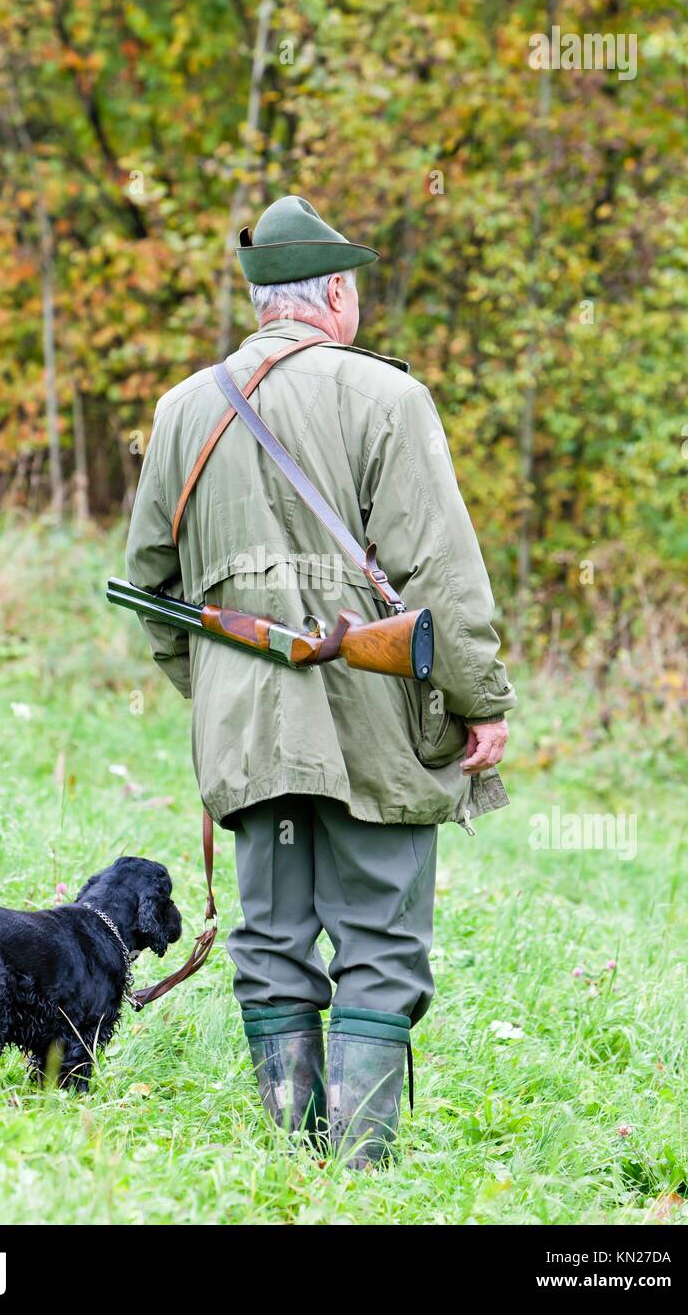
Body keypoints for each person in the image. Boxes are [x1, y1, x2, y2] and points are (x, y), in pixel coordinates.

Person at [126, 195, 516, 1167]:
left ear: (266, 300)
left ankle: (290, 1166)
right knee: (380, 943)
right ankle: (360, 1169)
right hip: (372, 726)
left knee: (270, 938)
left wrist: (213, 688)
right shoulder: (388, 398)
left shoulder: (181, 409)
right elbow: (443, 579)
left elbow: (149, 589)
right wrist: (481, 701)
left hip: (249, 736)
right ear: (335, 291)